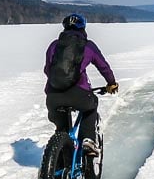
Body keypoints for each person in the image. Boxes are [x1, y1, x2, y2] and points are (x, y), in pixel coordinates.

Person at [44, 13, 118, 157]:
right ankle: (88, 140)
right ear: (83, 28)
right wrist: (111, 83)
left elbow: (48, 69)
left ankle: (57, 163)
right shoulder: (88, 46)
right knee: (91, 106)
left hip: (53, 96)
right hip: (79, 93)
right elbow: (104, 67)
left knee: (61, 130)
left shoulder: (54, 45)